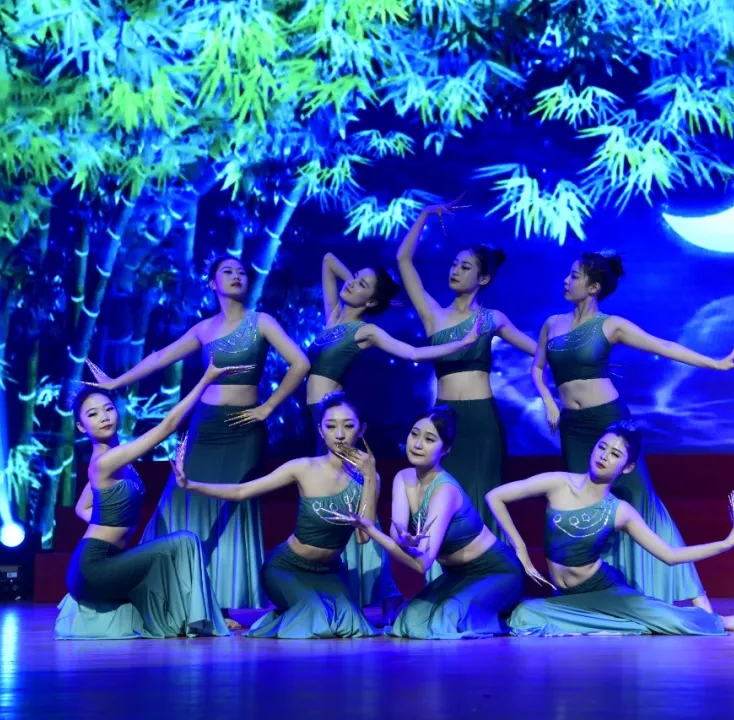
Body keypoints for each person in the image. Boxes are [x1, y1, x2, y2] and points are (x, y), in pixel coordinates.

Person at [84, 255, 311, 627]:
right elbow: (160, 357)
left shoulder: (261, 322)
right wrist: (115, 382)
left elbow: (300, 363)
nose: (236, 275)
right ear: (212, 283)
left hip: (243, 430)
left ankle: (224, 604)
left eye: (241, 271)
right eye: (227, 271)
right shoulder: (205, 328)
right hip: (204, 427)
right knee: (184, 500)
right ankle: (172, 592)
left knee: (231, 508)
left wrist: (269, 407)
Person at [531, 250, 734, 612]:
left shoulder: (610, 325)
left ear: (594, 287)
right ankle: (595, 594)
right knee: (583, 504)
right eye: (568, 275)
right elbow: (537, 369)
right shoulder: (552, 324)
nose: (566, 281)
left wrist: (714, 363)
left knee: (640, 500)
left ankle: (696, 599)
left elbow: (662, 345)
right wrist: (548, 401)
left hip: (609, 422)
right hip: (573, 428)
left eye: (574, 276)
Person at [306, 252, 486, 621]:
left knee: (354, 504)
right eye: (353, 278)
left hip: (337, 423)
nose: (351, 283)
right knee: (332, 500)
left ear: (372, 302)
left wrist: (462, 343)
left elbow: (414, 351)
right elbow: (327, 260)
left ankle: (384, 590)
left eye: (362, 285)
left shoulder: (365, 331)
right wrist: (363, 281)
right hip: (316, 419)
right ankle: (348, 588)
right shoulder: (332, 318)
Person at [486, 421, 734, 636]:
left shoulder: (619, 511)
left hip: (603, 590)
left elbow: (670, 555)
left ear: (627, 467)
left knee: (665, 617)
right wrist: (520, 548)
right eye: (602, 447)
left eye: (615, 454)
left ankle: (722, 621)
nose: (604, 456)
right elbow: (495, 497)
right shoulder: (558, 483)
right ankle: (622, 624)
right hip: (566, 597)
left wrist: (725, 543)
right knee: (524, 614)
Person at [54, 363, 244, 639]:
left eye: (108, 409)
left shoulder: (116, 457)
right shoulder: (105, 462)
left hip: (112, 559)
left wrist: (106, 522)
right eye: (92, 414)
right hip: (94, 566)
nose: (104, 417)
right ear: (82, 427)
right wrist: (206, 379)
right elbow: (168, 426)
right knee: (184, 541)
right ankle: (206, 618)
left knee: (171, 547)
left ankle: (200, 616)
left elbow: (82, 507)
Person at [173, 392, 379, 639]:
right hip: (286, 568)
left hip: (330, 572)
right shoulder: (303, 467)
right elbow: (242, 491)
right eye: (331, 426)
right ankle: (283, 615)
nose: (340, 434)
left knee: (352, 623)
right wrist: (190, 485)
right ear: (320, 430)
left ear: (362, 429)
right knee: (315, 615)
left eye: (348, 426)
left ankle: (287, 614)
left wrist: (369, 476)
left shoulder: (368, 479)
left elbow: (363, 537)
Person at [396, 199, 537, 537]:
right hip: (441, 420)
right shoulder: (433, 314)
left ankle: (488, 565)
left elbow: (540, 352)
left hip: (481, 421)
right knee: (440, 497)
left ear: (483, 278)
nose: (455, 271)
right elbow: (403, 260)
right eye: (454, 264)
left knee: (483, 496)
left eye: (465, 267)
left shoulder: (492, 319)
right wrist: (425, 215)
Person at [326, 407, 525, 639]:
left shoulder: (445, 490)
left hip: (496, 572)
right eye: (414, 434)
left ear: (446, 449)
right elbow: (397, 529)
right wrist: (402, 538)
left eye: (429, 439)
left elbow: (422, 564)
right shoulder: (403, 477)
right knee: (407, 621)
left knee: (446, 620)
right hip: (456, 575)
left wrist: (371, 530)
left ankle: (500, 613)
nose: (418, 444)